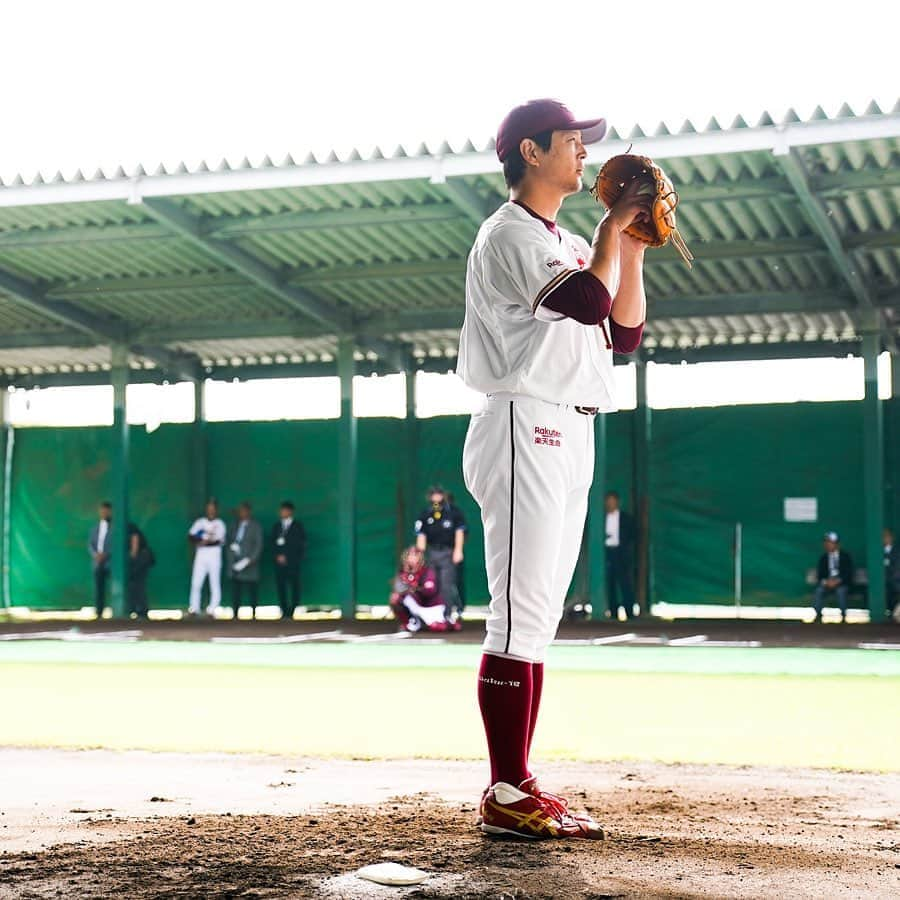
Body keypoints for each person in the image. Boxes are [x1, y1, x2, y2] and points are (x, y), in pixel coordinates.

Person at [457, 98, 648, 839]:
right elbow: (584, 298)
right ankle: (505, 788)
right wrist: (607, 232)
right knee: (516, 614)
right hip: (521, 419)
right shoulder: (506, 231)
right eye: (571, 141)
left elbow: (623, 331)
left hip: (571, 427)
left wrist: (627, 249)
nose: (584, 153)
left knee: (537, 619)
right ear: (530, 152)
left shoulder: (566, 240)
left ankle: (520, 782)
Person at [414, 486, 466, 622]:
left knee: (446, 584)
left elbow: (459, 532)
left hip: (448, 552)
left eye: (439, 495)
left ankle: (447, 614)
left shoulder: (453, 512)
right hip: (432, 553)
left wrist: (458, 550)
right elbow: (421, 535)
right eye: (434, 495)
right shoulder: (426, 513)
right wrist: (420, 555)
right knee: (431, 584)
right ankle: (433, 614)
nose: (436, 498)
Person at [389, 546, 457, 633]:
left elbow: (430, 591)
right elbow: (398, 589)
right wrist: (404, 587)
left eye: (415, 555)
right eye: (409, 555)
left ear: (420, 558)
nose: (412, 558)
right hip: (416, 606)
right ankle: (411, 622)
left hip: (430, 606)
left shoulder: (427, 571)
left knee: (438, 627)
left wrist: (415, 588)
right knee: (395, 598)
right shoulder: (402, 573)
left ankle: (449, 622)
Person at [187, 499, 226, 617]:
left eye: (213, 509)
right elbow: (190, 536)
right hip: (201, 554)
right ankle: (194, 608)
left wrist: (204, 541)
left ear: (216, 510)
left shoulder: (220, 523)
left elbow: (218, 540)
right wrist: (200, 541)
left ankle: (213, 609)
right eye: (209, 509)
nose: (211, 511)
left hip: (214, 554)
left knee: (214, 582)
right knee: (196, 582)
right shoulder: (200, 522)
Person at [226, 502, 263, 620]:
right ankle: (235, 614)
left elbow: (259, 545)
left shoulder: (255, 526)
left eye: (243, 511)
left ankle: (253, 614)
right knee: (236, 589)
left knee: (252, 590)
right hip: (235, 562)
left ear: (248, 511)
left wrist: (251, 559)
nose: (241, 513)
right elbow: (228, 541)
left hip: (249, 563)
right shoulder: (234, 525)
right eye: (240, 511)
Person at [271, 500, 306, 619]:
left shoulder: (297, 526)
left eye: (285, 510)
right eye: (281, 510)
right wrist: (278, 556)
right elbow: (273, 543)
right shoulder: (277, 526)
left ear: (290, 511)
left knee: (294, 586)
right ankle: (284, 610)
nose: (283, 512)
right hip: (279, 563)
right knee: (281, 586)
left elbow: (300, 545)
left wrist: (289, 557)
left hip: (293, 563)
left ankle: (292, 611)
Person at [605, 491, 637, 620]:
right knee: (610, 584)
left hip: (622, 555)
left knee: (625, 584)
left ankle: (630, 613)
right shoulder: (601, 518)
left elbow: (633, 535)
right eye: (608, 501)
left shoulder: (626, 518)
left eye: (612, 501)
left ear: (617, 502)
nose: (610, 504)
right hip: (608, 554)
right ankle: (613, 613)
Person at [812, 531, 854, 623]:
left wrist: (838, 581)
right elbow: (820, 575)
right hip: (827, 584)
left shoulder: (845, 556)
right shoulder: (823, 557)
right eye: (826, 542)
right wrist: (826, 582)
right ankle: (818, 615)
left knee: (841, 591)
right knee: (819, 590)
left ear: (837, 544)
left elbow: (848, 573)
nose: (828, 545)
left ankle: (843, 616)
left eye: (830, 542)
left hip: (841, 584)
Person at [88, 501, 113, 617]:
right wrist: (96, 555)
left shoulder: (116, 528)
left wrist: (106, 554)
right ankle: (99, 612)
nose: (104, 513)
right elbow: (90, 544)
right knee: (99, 587)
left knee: (115, 586)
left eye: (106, 511)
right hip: (98, 563)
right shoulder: (95, 528)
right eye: (102, 511)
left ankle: (117, 611)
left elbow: (117, 544)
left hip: (111, 563)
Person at [126, 521, 154, 619]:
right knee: (135, 585)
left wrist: (133, 558)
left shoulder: (129, 526)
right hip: (138, 559)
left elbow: (135, 540)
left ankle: (142, 611)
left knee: (139, 584)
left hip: (141, 558)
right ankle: (135, 609)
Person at [883, 528, 899, 620]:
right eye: (883, 536)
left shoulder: (897, 550)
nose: (885, 538)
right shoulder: (877, 550)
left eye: (887, 536)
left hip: (895, 580)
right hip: (883, 581)